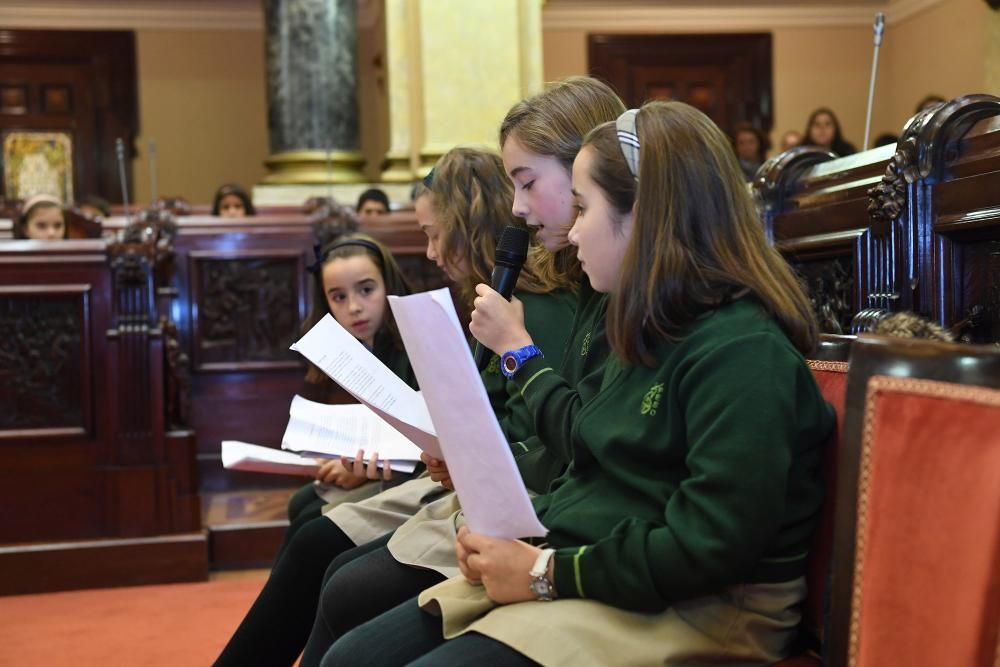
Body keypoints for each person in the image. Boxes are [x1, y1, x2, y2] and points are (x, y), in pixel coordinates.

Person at [319, 101, 835, 666]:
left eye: (584, 208)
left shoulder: (745, 354)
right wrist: (512, 541)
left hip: (702, 608)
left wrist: (542, 568)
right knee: (354, 655)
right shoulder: (648, 324)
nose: (572, 230)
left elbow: (708, 548)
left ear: (645, 217)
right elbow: (592, 460)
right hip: (602, 560)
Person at [297, 76, 626, 667]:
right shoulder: (593, 296)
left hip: (559, 530)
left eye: (528, 184)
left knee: (346, 592)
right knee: (333, 570)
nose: (518, 211)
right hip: (546, 519)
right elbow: (580, 443)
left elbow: (581, 449)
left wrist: (543, 562)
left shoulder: (580, 303)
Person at [216, 146, 579, 667]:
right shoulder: (489, 295)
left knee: (336, 573)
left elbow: (539, 430)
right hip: (464, 480)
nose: (430, 253)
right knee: (321, 545)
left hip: (509, 499)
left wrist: (446, 450)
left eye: (434, 234)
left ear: (466, 224)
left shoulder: (525, 305)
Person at [283, 221, 419, 542]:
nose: (354, 307)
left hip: (413, 476)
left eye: (366, 290)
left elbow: (418, 438)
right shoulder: (353, 348)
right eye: (338, 297)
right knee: (300, 503)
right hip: (376, 464)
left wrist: (356, 468)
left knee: (310, 530)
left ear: (388, 285)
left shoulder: (413, 344)